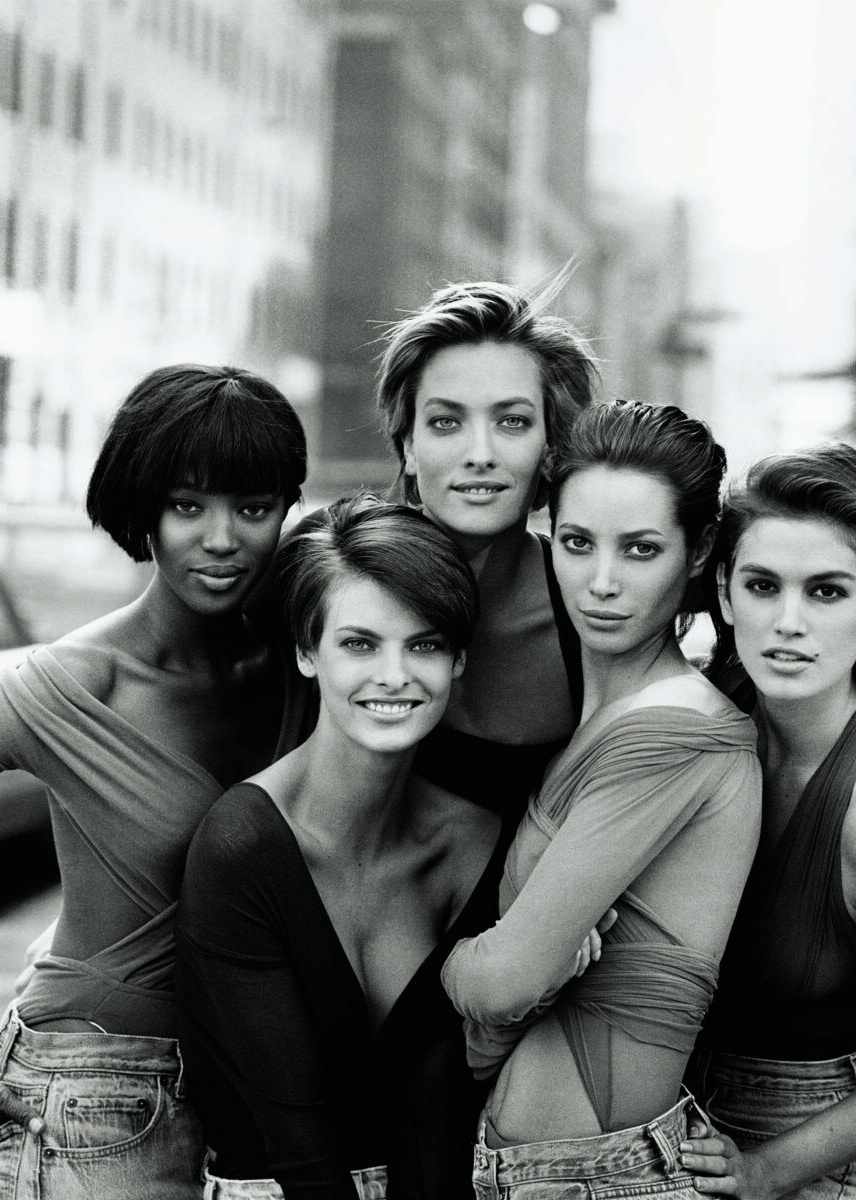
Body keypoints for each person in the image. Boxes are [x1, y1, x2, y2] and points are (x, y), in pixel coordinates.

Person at [0, 363, 310, 1199]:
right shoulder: (72, 685)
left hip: (257, 1101)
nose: (221, 538)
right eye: (187, 505)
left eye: (252, 508)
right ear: (145, 506)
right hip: (89, 1089)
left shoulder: (305, 662)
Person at [441, 400, 762, 1200]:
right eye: (578, 544)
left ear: (696, 557)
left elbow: (507, 981)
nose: (602, 582)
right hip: (550, 1171)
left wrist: (454, 965)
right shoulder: (586, 718)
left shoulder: (670, 732)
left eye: (641, 549)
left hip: (598, 1178)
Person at [174, 496, 506, 1200]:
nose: (394, 675)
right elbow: (296, 1147)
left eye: (425, 644)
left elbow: (442, 1106)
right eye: (359, 644)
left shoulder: (475, 838)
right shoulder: (243, 846)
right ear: (305, 650)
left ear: (460, 658)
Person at [681, 443, 856, 1199]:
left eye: (826, 592)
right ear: (726, 598)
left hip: (823, 1152)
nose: (786, 623)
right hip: (684, 1115)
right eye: (762, 586)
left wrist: (770, 1169)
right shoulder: (709, 705)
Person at [374, 277, 599, 830]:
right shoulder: (335, 577)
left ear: (551, 446)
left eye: (512, 421)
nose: (480, 454)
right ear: (408, 444)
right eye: (446, 422)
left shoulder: (591, 608)